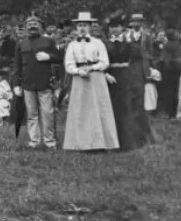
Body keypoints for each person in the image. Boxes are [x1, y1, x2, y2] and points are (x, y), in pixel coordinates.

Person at [62, 12, 119, 152]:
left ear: (90, 27)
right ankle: (81, 143)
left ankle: (101, 143)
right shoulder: (72, 45)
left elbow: (105, 62)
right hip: (80, 79)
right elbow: (68, 64)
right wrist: (78, 71)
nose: (82, 28)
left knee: (99, 108)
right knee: (81, 110)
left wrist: (92, 68)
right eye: (80, 25)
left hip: (96, 77)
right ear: (76, 27)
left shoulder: (98, 43)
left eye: (85, 25)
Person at [105, 13, 152, 151]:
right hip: (109, 77)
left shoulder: (129, 44)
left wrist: (139, 76)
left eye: (117, 26)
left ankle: (127, 141)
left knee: (126, 108)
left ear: (122, 28)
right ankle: (111, 141)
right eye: (111, 27)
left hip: (125, 77)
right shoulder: (104, 44)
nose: (114, 29)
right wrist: (105, 73)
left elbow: (139, 59)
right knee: (111, 107)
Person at [13, 16, 58, 149]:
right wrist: (16, 84)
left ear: (41, 26)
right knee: (31, 114)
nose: (32, 26)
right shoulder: (21, 44)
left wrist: (49, 57)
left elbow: (59, 57)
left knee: (47, 113)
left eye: (35, 24)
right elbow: (17, 66)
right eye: (29, 24)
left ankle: (50, 141)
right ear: (26, 27)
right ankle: (34, 141)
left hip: (45, 82)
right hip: (27, 83)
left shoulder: (49, 41)